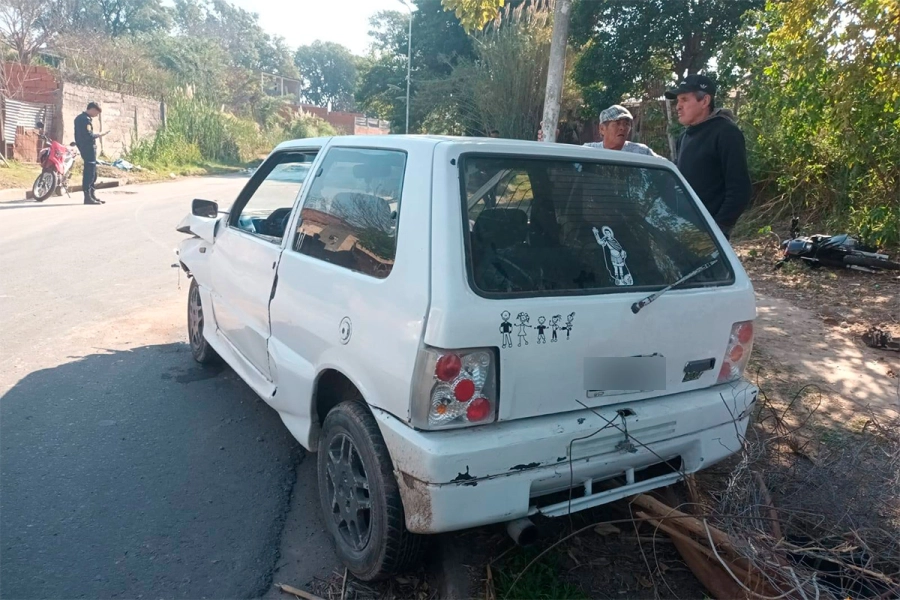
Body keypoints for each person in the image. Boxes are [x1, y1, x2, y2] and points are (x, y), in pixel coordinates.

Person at [665, 75, 751, 240]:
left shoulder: (726, 132)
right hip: (683, 229)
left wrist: (717, 230)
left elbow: (740, 189)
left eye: (684, 99)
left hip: (709, 233)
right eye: (677, 101)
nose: (678, 107)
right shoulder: (684, 137)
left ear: (704, 101)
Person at [584, 105, 658, 156]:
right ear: (602, 129)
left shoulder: (642, 152)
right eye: (617, 123)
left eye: (627, 124)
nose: (623, 128)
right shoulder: (588, 151)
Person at [74, 102, 109, 205]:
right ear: (92, 109)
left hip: (86, 147)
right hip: (87, 147)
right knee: (89, 172)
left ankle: (92, 195)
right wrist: (99, 134)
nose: (96, 115)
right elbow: (88, 136)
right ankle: (88, 197)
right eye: (96, 113)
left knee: (93, 172)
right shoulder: (85, 119)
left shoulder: (81, 118)